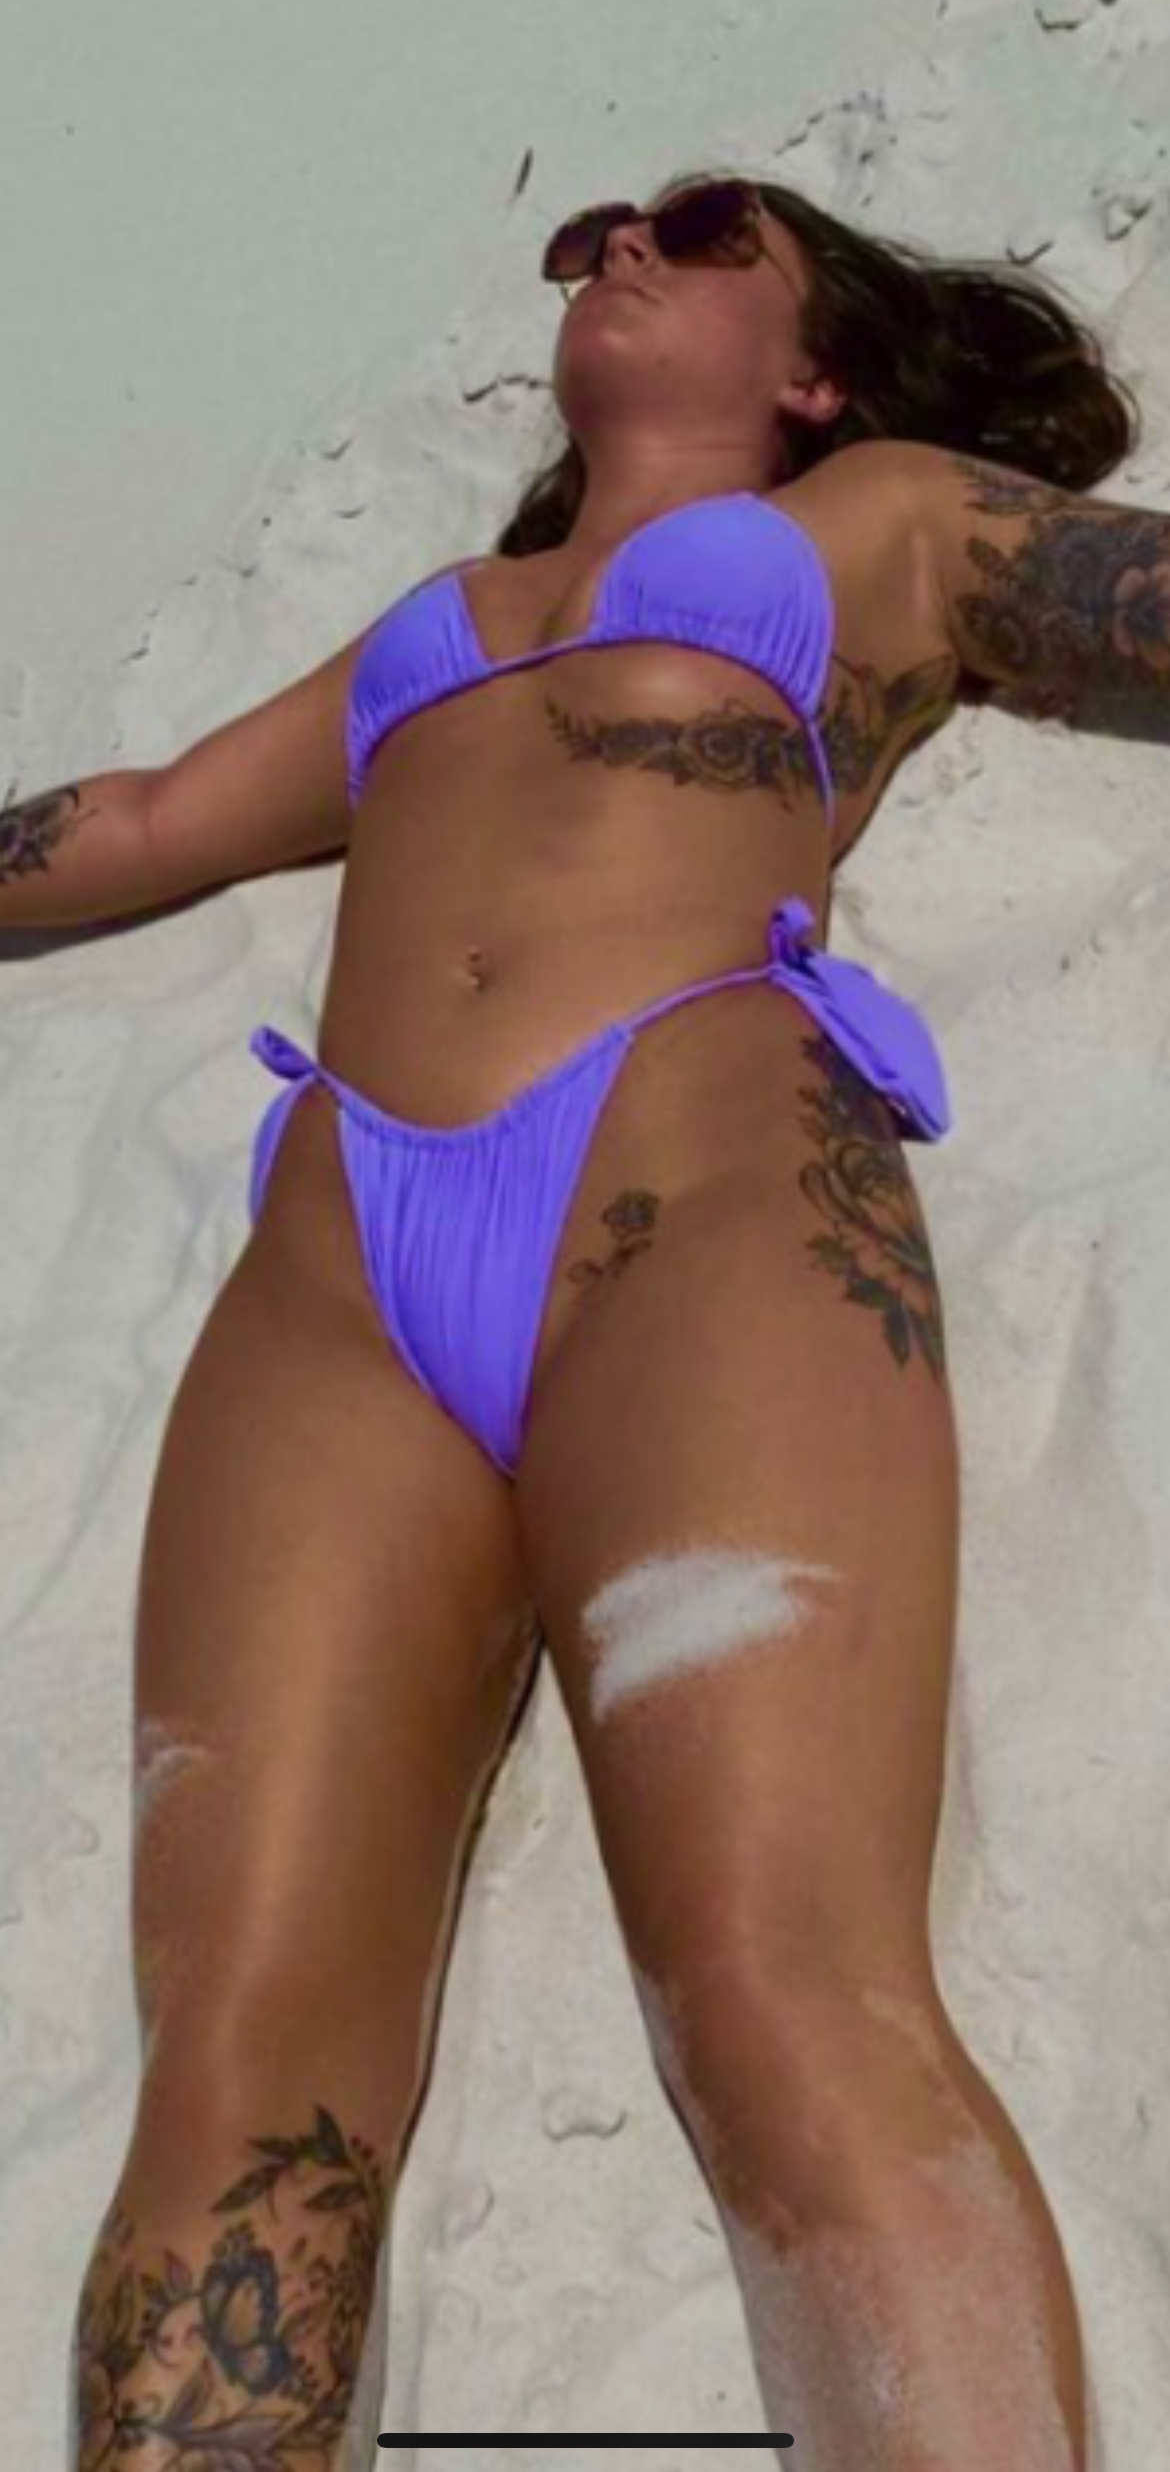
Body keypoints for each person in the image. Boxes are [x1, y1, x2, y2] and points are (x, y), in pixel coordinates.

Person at [4, 168, 1149, 2466]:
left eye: (702, 225)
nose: (618, 243)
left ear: (816, 369)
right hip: (345, 1267)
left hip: (692, 1187)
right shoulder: (430, 625)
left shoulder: (875, 524)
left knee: (785, 1999)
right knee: (238, 2071)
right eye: (592, 227)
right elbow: (140, 820)